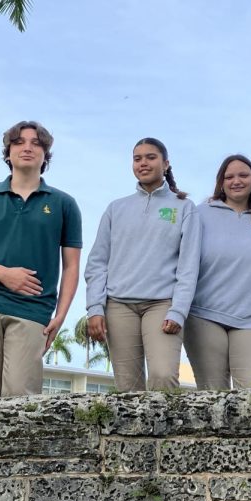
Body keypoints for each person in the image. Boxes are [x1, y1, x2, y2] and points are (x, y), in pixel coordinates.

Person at [0, 121, 82, 398]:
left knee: (20, 398)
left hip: (33, 310)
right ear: (8, 153)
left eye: (36, 143)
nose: (28, 147)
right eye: (19, 142)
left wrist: (61, 315)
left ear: (46, 155)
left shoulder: (63, 204)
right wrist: (4, 274)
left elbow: (71, 266)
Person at [84, 137, 201, 391]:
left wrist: (178, 310)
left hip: (162, 304)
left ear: (166, 163)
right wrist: (95, 307)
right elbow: (97, 262)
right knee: (127, 387)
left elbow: (189, 265)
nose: (143, 163)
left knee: (162, 376)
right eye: (137, 159)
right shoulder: (116, 208)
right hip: (118, 305)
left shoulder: (184, 208)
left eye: (151, 157)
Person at [185, 155, 251, 390]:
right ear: (221, 183)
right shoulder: (199, 214)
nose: (236, 181)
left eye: (243, 175)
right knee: (212, 397)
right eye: (229, 176)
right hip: (204, 315)